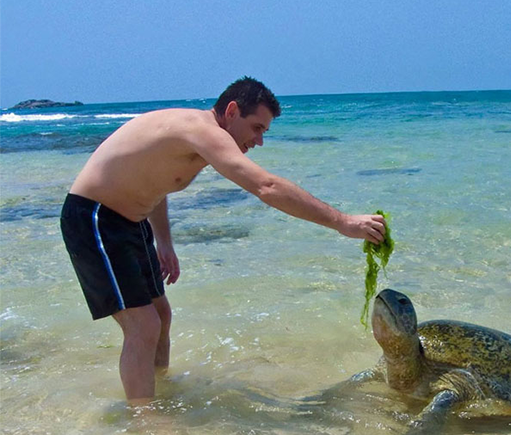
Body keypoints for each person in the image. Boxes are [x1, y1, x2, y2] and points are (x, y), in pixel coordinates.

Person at [60, 77, 387, 405]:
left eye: (264, 132)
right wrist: (343, 222)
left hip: (131, 221)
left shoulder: (194, 136)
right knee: (143, 326)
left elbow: (156, 183)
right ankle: (145, 422)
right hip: (95, 218)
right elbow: (266, 187)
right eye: (256, 127)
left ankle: (156, 389)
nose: (259, 140)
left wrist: (164, 243)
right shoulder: (200, 130)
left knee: (161, 315)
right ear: (232, 111)